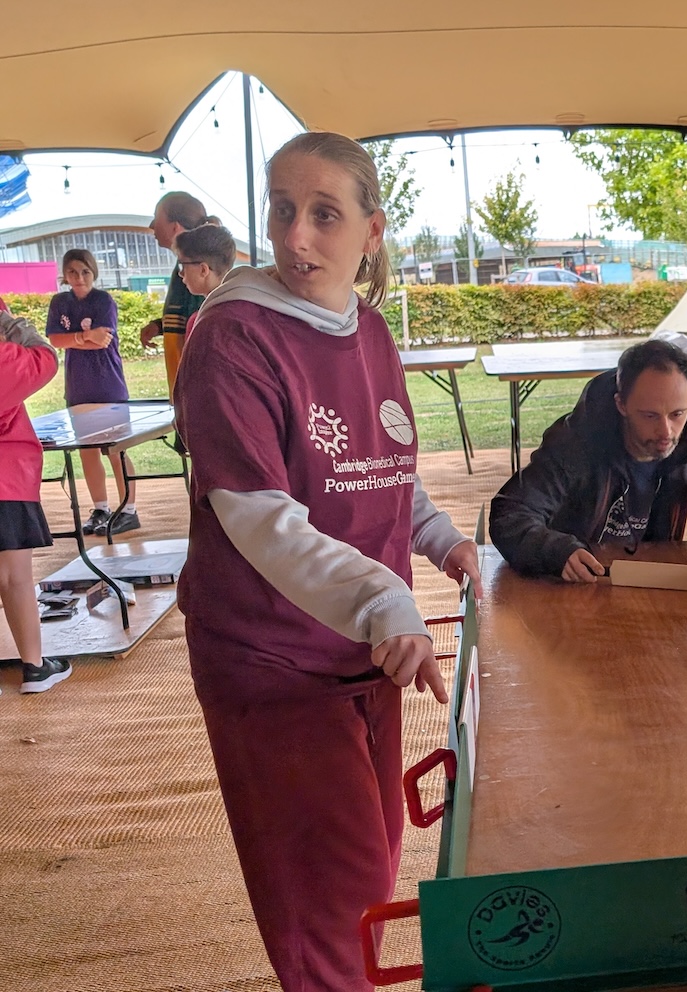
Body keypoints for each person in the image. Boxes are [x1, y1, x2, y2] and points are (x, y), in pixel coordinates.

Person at [174, 131, 481, 992]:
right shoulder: (232, 339)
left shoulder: (370, 332)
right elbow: (260, 519)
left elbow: (387, 473)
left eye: (324, 214)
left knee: (373, 868)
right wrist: (388, 600)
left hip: (369, 654)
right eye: (281, 210)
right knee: (328, 908)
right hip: (273, 664)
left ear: (372, 230)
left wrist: (441, 540)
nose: (296, 237)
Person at [489, 339, 687, 581]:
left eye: (677, 414)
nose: (667, 432)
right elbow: (510, 514)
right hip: (576, 586)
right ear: (621, 404)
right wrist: (557, 552)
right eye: (650, 415)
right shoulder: (575, 441)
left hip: (654, 582)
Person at [0, 310, 72, 694]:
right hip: (5, 477)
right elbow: (44, 358)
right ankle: (34, 667)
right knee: (15, 578)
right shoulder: (5, 358)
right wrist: (11, 323)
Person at [45, 248, 140, 536]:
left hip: (108, 385)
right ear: (65, 275)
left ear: (93, 272)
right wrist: (84, 335)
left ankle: (129, 509)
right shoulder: (59, 302)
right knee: (87, 452)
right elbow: (54, 339)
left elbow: (103, 340)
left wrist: (74, 339)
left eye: (84, 271)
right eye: (73, 272)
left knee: (116, 450)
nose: (79, 277)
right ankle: (101, 507)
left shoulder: (103, 301)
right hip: (78, 387)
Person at [138, 191, 209, 393]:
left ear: (174, 226)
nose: (152, 226)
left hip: (195, 388)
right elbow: (188, 315)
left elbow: (203, 322)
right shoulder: (185, 266)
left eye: (157, 218)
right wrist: (159, 326)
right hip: (184, 386)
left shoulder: (195, 268)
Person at [172, 222, 236, 345]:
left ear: (203, 270)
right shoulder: (244, 311)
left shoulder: (203, 321)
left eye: (182, 265)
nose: (180, 273)